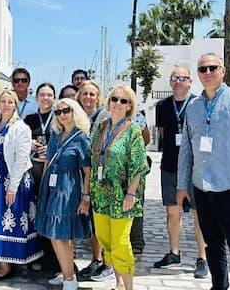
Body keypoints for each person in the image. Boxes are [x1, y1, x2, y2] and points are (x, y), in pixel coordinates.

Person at [178, 53, 230, 290]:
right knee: (213, 246)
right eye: (202, 69)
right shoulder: (193, 107)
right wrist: (182, 185)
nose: (207, 73)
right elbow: (186, 149)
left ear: (222, 71)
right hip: (202, 188)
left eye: (212, 68)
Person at [0, 89, 42, 279]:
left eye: (10, 102)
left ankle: (7, 265)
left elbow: (21, 159)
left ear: (15, 105)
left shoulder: (20, 127)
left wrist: (12, 187)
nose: (6, 105)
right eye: (3, 101)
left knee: (8, 218)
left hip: (11, 178)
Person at [90, 85, 148, 290]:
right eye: (114, 99)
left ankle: (129, 287)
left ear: (129, 106)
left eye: (123, 101)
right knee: (106, 242)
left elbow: (139, 165)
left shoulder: (133, 130)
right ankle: (119, 284)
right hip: (100, 194)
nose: (117, 104)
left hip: (121, 195)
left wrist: (131, 194)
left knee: (121, 243)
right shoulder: (101, 127)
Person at [153, 67, 208, 278]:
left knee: (198, 213)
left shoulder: (198, 104)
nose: (178, 81)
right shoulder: (162, 106)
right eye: (174, 78)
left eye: (182, 78)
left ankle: (202, 257)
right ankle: (174, 253)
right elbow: (162, 133)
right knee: (172, 212)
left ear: (190, 82)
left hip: (195, 167)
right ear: (170, 82)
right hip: (170, 166)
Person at [36, 98, 92, 290]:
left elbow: (87, 171)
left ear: (74, 112)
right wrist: (43, 188)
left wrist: (86, 197)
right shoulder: (55, 134)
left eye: (66, 111)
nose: (62, 115)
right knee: (59, 235)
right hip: (51, 188)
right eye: (58, 112)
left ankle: (69, 278)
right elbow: (48, 161)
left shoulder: (81, 138)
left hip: (68, 190)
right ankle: (67, 273)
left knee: (60, 235)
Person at [76, 80, 113, 282]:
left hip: (102, 175)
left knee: (103, 219)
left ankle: (108, 263)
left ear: (98, 97)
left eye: (92, 94)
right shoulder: (76, 116)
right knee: (92, 221)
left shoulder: (105, 117)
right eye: (85, 94)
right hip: (82, 173)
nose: (88, 98)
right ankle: (96, 259)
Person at [23, 83, 59, 272]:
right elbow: (20, 138)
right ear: (36, 97)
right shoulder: (29, 119)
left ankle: (51, 259)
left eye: (49, 95)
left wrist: (50, 147)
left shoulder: (59, 117)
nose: (46, 98)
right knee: (33, 213)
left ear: (54, 98)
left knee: (49, 213)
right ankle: (34, 255)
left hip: (52, 172)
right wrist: (30, 143)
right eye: (42, 95)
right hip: (34, 170)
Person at [129, 108, 150, 255]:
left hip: (135, 166)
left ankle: (136, 240)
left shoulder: (138, 117)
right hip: (115, 167)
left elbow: (146, 139)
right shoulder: (108, 116)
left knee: (136, 203)